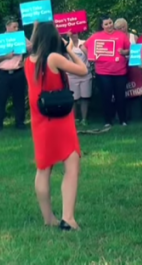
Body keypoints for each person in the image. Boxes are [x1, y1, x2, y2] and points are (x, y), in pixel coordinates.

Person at [26, 22, 86, 231]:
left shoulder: (30, 61)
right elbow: (83, 69)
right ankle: (68, 217)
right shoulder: (54, 58)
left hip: (40, 119)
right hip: (60, 119)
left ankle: (48, 217)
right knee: (71, 164)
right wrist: (69, 49)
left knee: (43, 168)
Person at [0, 17, 33, 131]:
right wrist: (5, 57)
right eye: (14, 27)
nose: (16, 29)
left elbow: (31, 47)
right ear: (7, 27)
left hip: (18, 72)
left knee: (19, 98)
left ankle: (20, 123)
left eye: (17, 27)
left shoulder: (20, 38)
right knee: (0, 99)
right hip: (3, 73)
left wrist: (26, 60)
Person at [88, 15, 130, 128]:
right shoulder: (96, 36)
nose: (109, 25)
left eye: (110, 23)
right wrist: (91, 56)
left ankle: (123, 120)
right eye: (106, 24)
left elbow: (130, 49)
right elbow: (84, 47)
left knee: (120, 96)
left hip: (120, 71)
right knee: (106, 96)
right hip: (103, 72)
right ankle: (107, 121)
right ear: (102, 26)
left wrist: (124, 52)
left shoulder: (121, 35)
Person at [66, 31, 92, 126]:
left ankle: (84, 119)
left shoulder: (84, 43)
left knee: (85, 97)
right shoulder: (67, 45)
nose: (74, 35)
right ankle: (74, 119)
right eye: (71, 34)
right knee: (74, 98)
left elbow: (90, 55)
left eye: (75, 33)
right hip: (72, 75)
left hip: (85, 74)